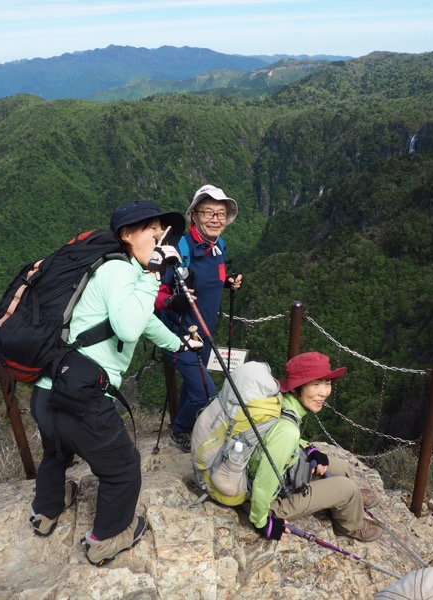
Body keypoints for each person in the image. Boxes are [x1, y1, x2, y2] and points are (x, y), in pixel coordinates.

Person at [27, 200, 202, 566]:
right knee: (123, 468)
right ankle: (106, 538)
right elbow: (127, 327)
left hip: (48, 390)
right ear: (126, 235)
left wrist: (178, 344)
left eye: (162, 234)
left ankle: (46, 511)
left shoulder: (112, 272)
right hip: (82, 399)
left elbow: (143, 318)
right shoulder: (122, 271)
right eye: (152, 232)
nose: (159, 240)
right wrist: (154, 275)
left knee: (57, 451)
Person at [248, 352, 385, 542]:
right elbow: (265, 481)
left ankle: (346, 501)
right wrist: (262, 522)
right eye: (315, 384)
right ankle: (350, 526)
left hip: (276, 475)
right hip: (269, 502)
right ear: (297, 387)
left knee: (340, 467)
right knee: (348, 488)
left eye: (327, 383)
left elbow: (275, 439)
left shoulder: (281, 403)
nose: (323, 392)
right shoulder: (287, 431)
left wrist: (309, 448)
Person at [156, 184, 243, 452]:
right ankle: (181, 431)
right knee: (205, 392)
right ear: (194, 215)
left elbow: (210, 277)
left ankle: (188, 424)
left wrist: (226, 282)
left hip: (204, 333)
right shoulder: (179, 249)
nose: (216, 219)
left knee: (195, 386)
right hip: (178, 335)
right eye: (209, 212)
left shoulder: (219, 246)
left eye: (221, 214)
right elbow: (154, 294)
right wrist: (172, 302)